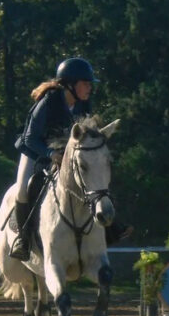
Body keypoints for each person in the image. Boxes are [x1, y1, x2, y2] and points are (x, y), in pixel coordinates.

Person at [9, 57, 131, 261]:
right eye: (85, 83)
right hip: (35, 151)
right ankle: (23, 239)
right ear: (70, 84)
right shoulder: (49, 101)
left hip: (66, 155)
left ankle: (110, 229)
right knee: (24, 189)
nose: (89, 88)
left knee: (94, 176)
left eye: (90, 84)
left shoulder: (83, 104)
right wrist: (50, 154)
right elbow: (30, 137)